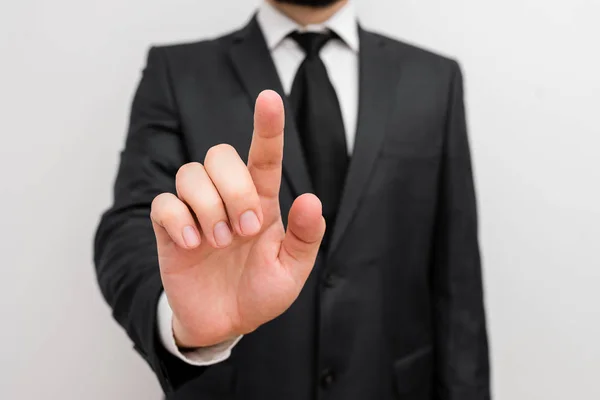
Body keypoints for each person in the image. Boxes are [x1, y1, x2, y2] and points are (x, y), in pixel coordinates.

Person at [94, 0, 491, 398]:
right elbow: (131, 226)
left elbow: (458, 279)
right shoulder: (177, 73)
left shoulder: (435, 79)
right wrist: (180, 319)